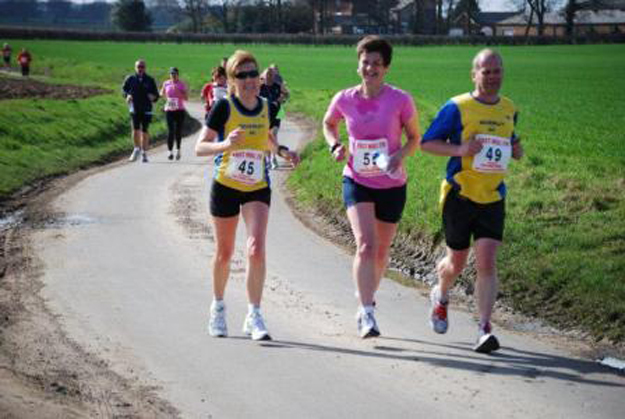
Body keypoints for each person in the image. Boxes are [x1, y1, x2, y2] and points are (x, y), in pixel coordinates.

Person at [420, 49, 524, 353]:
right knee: (456, 262)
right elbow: (427, 143)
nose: (492, 77)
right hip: (460, 194)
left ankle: (484, 327)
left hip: (493, 195)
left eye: (497, 71)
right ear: (474, 74)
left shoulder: (509, 108)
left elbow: (510, 137)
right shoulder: (457, 107)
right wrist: (462, 149)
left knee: (487, 261)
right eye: (485, 71)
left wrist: (516, 149)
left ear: (503, 73)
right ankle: (440, 296)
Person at [195, 50, 299, 341]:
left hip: (256, 186)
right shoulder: (223, 108)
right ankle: (218, 306)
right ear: (232, 79)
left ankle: (254, 314)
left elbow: (267, 139)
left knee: (256, 248)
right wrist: (224, 144)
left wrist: (282, 151)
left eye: (254, 73)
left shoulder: (266, 106)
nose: (250, 79)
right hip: (226, 185)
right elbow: (199, 148)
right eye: (243, 75)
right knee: (225, 253)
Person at [323, 36, 420, 338]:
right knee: (366, 244)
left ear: (386, 67)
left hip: (392, 182)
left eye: (377, 63)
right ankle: (367, 312)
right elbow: (328, 123)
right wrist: (335, 145)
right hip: (357, 179)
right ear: (358, 65)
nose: (370, 68)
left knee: (381, 251)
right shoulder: (344, 98)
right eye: (366, 62)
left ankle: (366, 295)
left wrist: (398, 156)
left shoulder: (400, 100)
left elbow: (415, 138)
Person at [122, 59, 159, 163]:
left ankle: (144, 152)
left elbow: (156, 95)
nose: (140, 69)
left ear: (145, 68)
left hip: (147, 108)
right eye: (138, 67)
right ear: (135, 67)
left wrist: (154, 97)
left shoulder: (150, 80)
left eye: (142, 67)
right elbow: (123, 90)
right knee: (135, 129)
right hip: (134, 108)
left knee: (145, 131)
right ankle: (136, 149)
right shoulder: (130, 79)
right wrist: (127, 95)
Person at [259, 67, 286, 169]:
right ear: (263, 76)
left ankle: (273, 158)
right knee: (266, 137)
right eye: (266, 75)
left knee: (273, 134)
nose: (268, 77)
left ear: (273, 76)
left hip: (276, 114)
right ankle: (267, 159)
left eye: (270, 75)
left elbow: (286, 94)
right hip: (264, 115)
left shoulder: (278, 86)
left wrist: (279, 100)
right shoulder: (260, 87)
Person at [160, 67, 188, 161]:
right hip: (169, 110)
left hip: (179, 110)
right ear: (169, 75)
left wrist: (179, 93)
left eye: (175, 74)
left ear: (177, 75)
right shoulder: (166, 83)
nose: (173, 75)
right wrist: (162, 95)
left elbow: (186, 98)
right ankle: (170, 152)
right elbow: (162, 93)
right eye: (171, 74)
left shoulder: (181, 84)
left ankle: (178, 150)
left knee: (178, 131)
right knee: (170, 131)